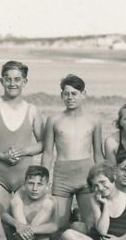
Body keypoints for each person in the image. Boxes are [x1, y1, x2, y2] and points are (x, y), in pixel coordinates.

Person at [0, 60, 44, 212]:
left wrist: (25, 150)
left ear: (24, 82)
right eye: (8, 79)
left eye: (17, 79)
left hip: (25, 178)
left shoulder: (32, 110)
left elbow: (43, 143)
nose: (12, 83)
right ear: (1, 81)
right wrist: (1, 156)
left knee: (25, 223)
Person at [41, 74, 104, 228]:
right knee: (58, 225)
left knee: (91, 223)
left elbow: (98, 153)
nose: (70, 97)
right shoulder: (54, 120)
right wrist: (44, 178)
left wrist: (103, 177)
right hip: (62, 175)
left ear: (83, 94)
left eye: (74, 93)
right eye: (66, 94)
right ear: (61, 95)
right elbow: (48, 152)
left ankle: (78, 214)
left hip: (86, 174)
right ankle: (72, 215)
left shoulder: (94, 120)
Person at [61, 163, 126, 240]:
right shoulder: (95, 199)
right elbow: (102, 231)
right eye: (96, 185)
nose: (100, 187)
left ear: (113, 177)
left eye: (103, 182)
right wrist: (106, 205)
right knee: (67, 234)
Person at [2, 165, 58, 240]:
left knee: (49, 204)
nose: (35, 188)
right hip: (16, 238)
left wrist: (29, 230)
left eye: (39, 184)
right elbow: (4, 215)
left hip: (38, 239)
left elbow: (54, 226)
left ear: (47, 186)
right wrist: (18, 225)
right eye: (31, 183)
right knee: (15, 202)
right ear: (24, 184)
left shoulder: (51, 199)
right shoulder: (20, 194)